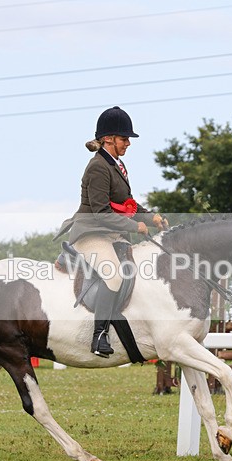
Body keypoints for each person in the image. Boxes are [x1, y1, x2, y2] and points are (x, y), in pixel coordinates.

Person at [55, 106, 167, 357]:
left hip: (111, 235)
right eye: (124, 138)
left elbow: (128, 205)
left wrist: (152, 218)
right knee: (114, 275)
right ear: (108, 139)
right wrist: (134, 226)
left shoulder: (117, 165)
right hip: (92, 234)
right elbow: (100, 212)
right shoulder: (97, 167)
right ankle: (99, 336)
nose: (128, 143)